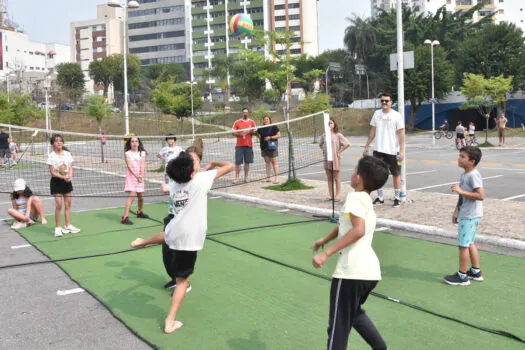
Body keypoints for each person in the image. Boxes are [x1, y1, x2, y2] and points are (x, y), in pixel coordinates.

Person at [130, 150, 234, 334]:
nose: (195, 162)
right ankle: (170, 321)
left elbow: (173, 181)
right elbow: (230, 166)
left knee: (165, 235)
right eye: (193, 162)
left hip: (175, 228)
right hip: (190, 238)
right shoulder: (200, 180)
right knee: (182, 281)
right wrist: (212, 164)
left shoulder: (175, 184)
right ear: (192, 173)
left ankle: (142, 242)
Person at [311, 156, 389, 350]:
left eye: (355, 170)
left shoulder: (354, 197)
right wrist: (325, 240)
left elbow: (358, 229)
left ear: (359, 178)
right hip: (370, 274)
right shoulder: (365, 201)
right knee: (354, 315)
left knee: (338, 326)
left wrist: (326, 253)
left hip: (350, 274)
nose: (352, 174)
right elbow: (345, 225)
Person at [444, 146, 484, 286]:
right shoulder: (465, 174)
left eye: (462, 157)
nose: (459, 159)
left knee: (463, 245)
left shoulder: (473, 175)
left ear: (471, 161)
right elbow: (462, 196)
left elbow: (480, 195)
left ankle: (462, 276)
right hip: (466, 213)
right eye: (459, 155)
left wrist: (460, 190)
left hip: (470, 215)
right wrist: (456, 212)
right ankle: (475, 271)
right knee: (469, 242)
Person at [364, 92, 405, 208]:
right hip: (378, 149)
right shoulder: (377, 114)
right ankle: (380, 197)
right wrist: (367, 144)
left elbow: (401, 134)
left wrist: (402, 151)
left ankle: (397, 198)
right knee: (377, 174)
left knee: (396, 174)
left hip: (393, 151)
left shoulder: (396, 115)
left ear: (391, 102)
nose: (384, 103)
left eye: (386, 101)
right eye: (382, 101)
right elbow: (373, 131)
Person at [47, 134, 80, 237]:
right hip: (56, 182)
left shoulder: (67, 154)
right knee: (59, 205)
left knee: (68, 204)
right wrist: (63, 177)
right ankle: (57, 228)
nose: (59, 142)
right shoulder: (51, 156)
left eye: (60, 141)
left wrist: (70, 175)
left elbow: (70, 167)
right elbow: (52, 172)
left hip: (67, 181)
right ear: (53, 144)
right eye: (56, 141)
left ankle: (67, 225)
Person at [319, 119, 351, 201]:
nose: (330, 124)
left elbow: (347, 144)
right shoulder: (324, 135)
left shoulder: (338, 135)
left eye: (331, 123)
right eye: (328, 123)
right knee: (329, 178)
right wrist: (324, 151)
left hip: (335, 159)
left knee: (336, 178)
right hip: (327, 159)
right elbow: (320, 144)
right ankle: (330, 195)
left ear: (334, 124)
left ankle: (338, 195)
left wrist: (339, 152)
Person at [122, 137, 149, 225]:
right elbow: (129, 167)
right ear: (130, 143)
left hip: (139, 177)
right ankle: (125, 217)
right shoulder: (128, 154)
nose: (134, 143)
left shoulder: (142, 153)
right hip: (132, 177)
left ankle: (139, 212)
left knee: (141, 197)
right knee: (132, 196)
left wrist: (141, 175)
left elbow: (143, 165)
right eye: (132, 141)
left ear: (138, 143)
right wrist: (136, 176)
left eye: (136, 141)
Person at [232, 107, 256, 183]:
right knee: (238, 162)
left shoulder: (252, 122)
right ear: (242, 113)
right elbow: (233, 132)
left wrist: (249, 131)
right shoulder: (237, 122)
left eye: (246, 112)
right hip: (239, 145)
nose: (245, 113)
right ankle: (236, 178)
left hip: (248, 145)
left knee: (247, 162)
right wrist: (240, 134)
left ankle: (246, 178)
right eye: (244, 112)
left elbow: (255, 132)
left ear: (248, 113)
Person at [256, 115, 280, 184]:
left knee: (274, 162)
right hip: (263, 147)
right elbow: (257, 134)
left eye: (267, 119)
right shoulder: (261, 128)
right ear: (263, 121)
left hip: (272, 147)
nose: (266, 120)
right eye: (265, 119)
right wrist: (260, 138)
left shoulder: (274, 127)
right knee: (267, 162)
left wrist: (270, 137)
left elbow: (278, 135)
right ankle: (268, 177)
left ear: (269, 120)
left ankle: (276, 178)